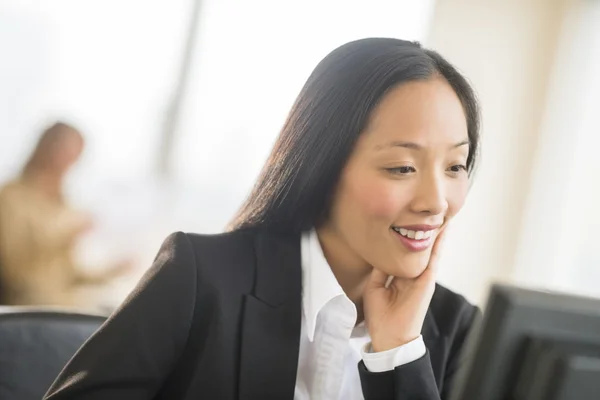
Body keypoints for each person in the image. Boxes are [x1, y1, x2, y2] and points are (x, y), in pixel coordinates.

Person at [43, 38, 481, 399]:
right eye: (402, 167)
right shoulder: (202, 278)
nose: (436, 202)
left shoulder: (461, 332)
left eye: (455, 166)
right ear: (323, 166)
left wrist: (398, 356)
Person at [0, 122, 131, 308]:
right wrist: (66, 229)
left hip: (64, 301)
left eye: (75, 157)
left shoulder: (63, 203)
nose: (69, 164)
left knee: (122, 310)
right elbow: (14, 268)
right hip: (27, 307)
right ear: (46, 149)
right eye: (66, 154)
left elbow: (68, 273)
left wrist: (112, 270)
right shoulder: (11, 196)